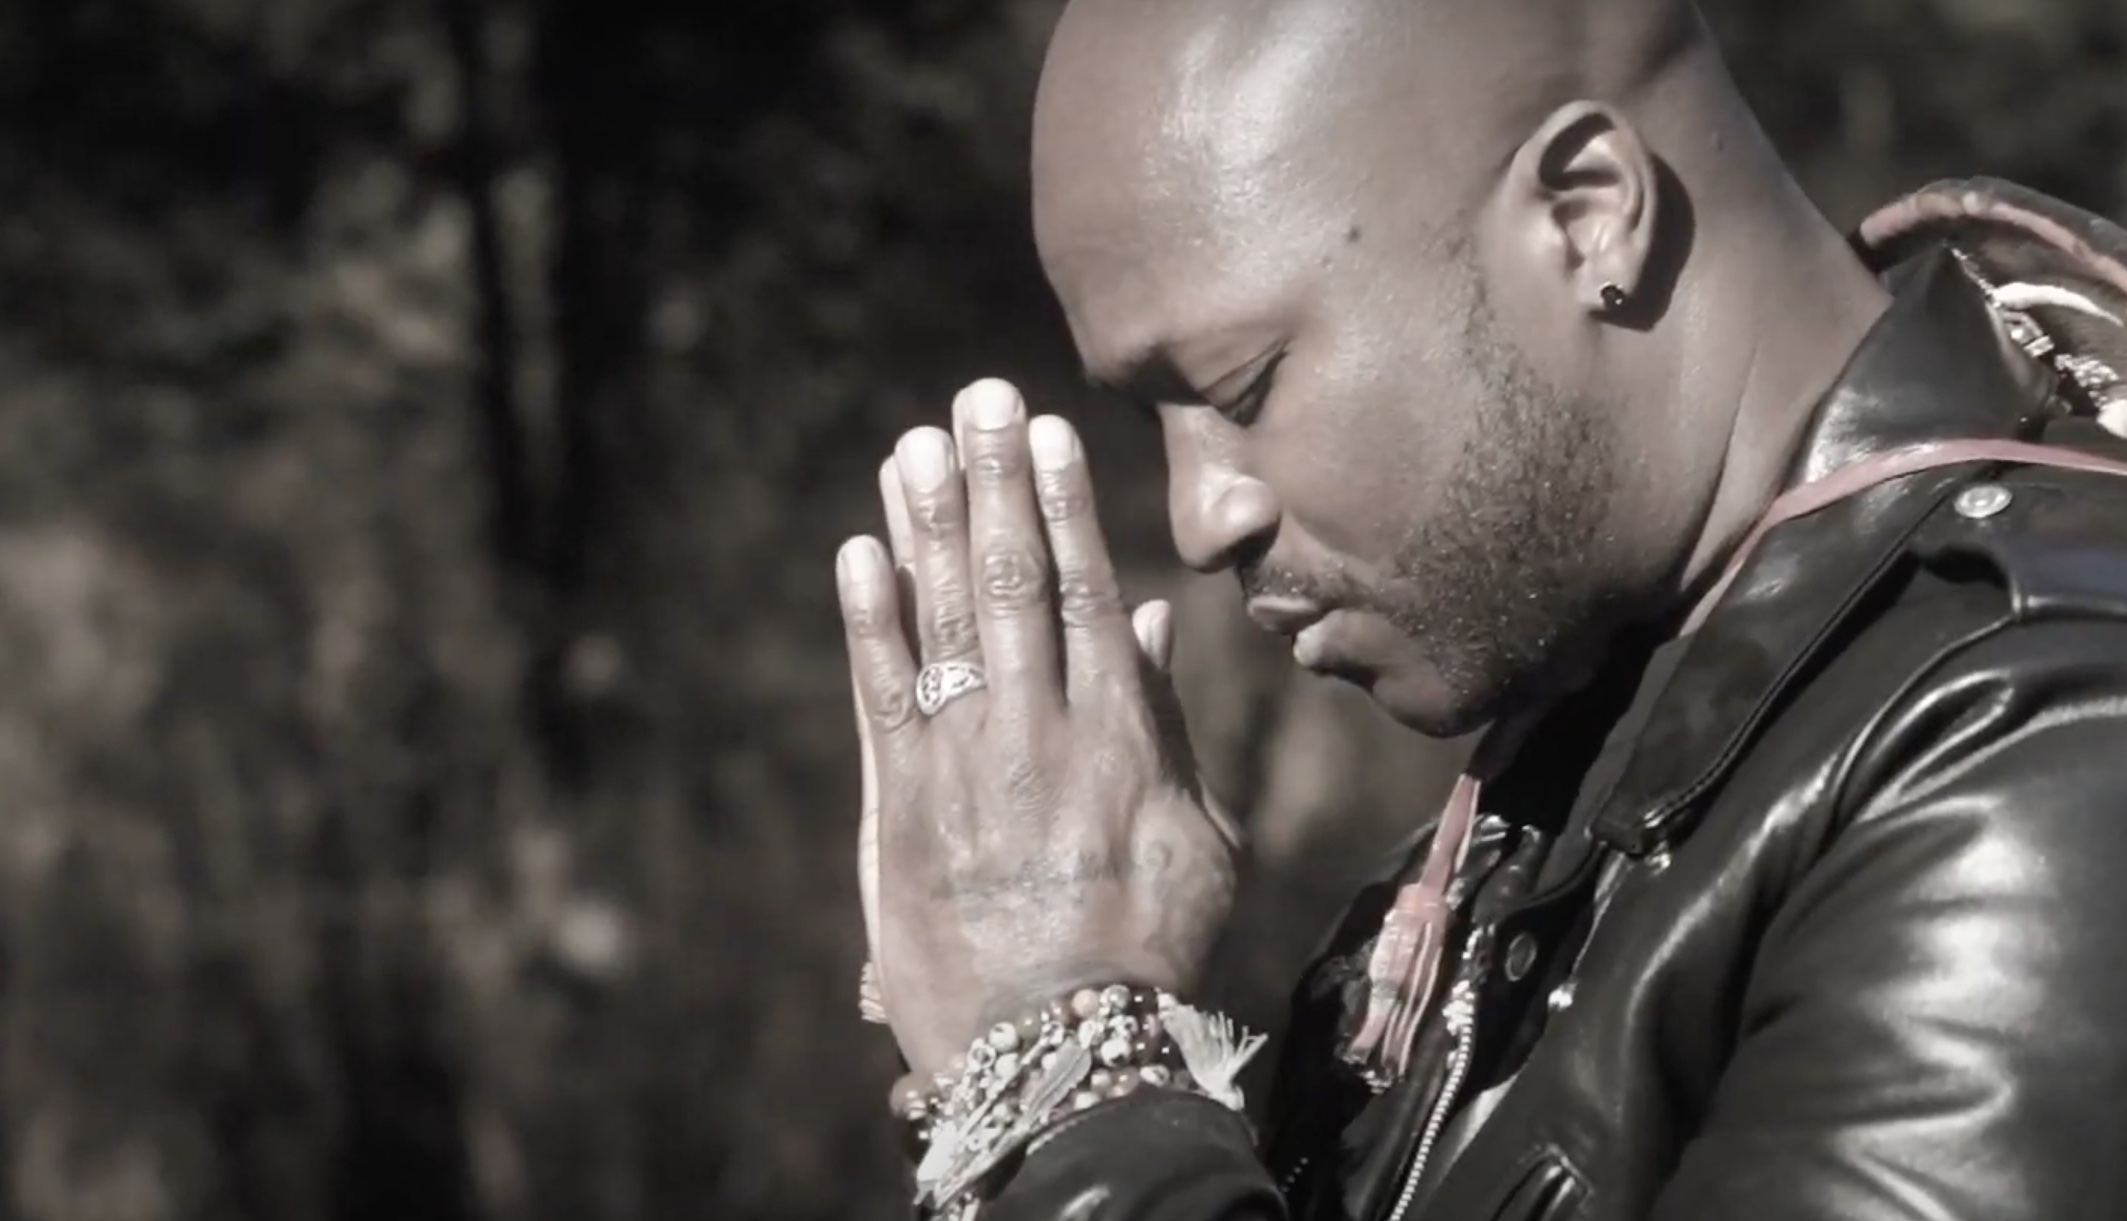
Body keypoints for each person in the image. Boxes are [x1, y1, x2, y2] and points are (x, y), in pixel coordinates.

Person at [832, 0, 2127, 1216]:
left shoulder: (2044, 749)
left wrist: (1067, 1067)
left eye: (1242, 388)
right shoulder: (1560, 779)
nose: (1198, 518)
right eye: (1150, 418)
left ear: (1588, 215)